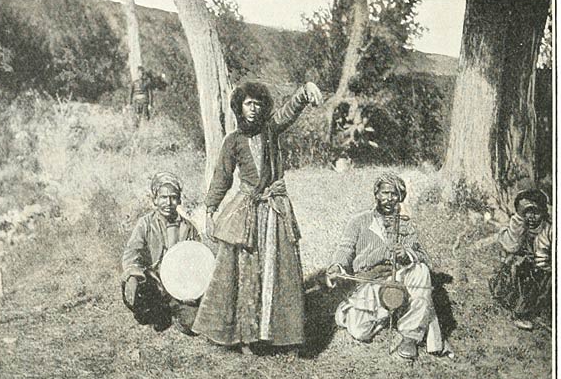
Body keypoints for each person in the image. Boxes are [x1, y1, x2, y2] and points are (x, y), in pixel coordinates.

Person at [191, 81, 323, 354]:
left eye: (258, 104)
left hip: (274, 210)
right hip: (247, 212)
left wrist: (305, 92)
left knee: (281, 269)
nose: (253, 109)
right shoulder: (233, 141)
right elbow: (222, 177)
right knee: (244, 272)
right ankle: (245, 337)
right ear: (239, 107)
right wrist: (210, 209)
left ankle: (283, 336)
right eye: (248, 104)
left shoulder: (271, 130)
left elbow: (289, 111)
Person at [326, 173, 444, 360]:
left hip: (398, 278)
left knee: (421, 270)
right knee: (359, 332)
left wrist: (407, 254)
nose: (389, 199)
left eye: (394, 194)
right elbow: (345, 248)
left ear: (401, 198)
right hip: (369, 282)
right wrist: (337, 266)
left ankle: (410, 336)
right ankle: (384, 313)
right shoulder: (359, 221)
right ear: (376, 194)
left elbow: (423, 257)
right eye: (384, 193)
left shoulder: (406, 225)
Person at [121, 172, 201, 334]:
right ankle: (159, 311)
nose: (168, 203)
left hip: (180, 286)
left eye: (173, 197)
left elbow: (197, 262)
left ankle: (175, 309)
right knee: (139, 295)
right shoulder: (146, 223)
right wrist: (133, 276)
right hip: (153, 282)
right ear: (155, 200)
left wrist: (192, 290)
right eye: (163, 197)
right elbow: (132, 253)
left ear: (179, 200)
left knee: (194, 324)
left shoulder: (189, 228)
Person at [489, 189, 552, 331]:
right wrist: (518, 221)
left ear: (543, 212)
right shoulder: (517, 227)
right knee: (520, 269)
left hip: (544, 271)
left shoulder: (549, 230)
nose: (531, 217)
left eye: (535, 212)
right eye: (525, 212)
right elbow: (511, 246)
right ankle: (520, 313)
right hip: (521, 273)